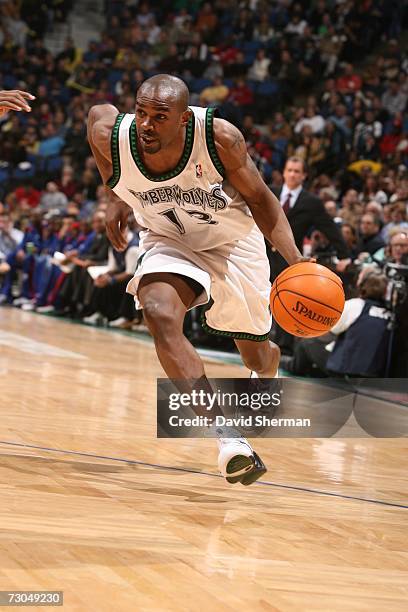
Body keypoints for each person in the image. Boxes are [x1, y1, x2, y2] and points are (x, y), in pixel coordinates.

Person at [87, 74, 308, 486]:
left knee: (255, 355)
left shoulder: (219, 138)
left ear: (185, 120)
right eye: (142, 112)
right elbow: (97, 114)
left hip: (233, 242)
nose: (147, 125)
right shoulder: (114, 136)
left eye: (160, 116)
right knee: (158, 312)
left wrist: (295, 262)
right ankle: (229, 440)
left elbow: (261, 199)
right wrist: (115, 194)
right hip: (170, 238)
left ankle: (269, 364)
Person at [266, 156, 350, 353]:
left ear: (303, 176)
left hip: (289, 257)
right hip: (261, 253)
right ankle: (251, 339)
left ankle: (284, 346)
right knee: (257, 297)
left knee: (289, 299)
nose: (293, 174)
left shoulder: (311, 201)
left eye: (297, 171)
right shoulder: (270, 192)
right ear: (284, 172)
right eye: (290, 170)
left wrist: (344, 255)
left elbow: (328, 227)